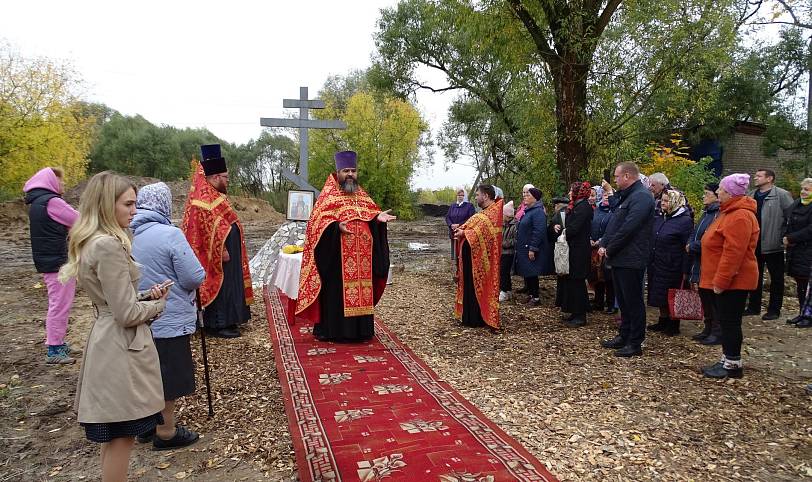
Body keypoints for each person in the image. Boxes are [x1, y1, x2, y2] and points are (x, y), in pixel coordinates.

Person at [58, 171, 170, 482]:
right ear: (108, 205)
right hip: (120, 348)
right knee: (122, 437)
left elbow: (114, 301)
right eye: (128, 204)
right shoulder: (108, 245)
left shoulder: (95, 242)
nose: (135, 211)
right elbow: (126, 314)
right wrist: (158, 304)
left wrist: (146, 295)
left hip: (108, 341)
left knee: (115, 437)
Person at [131, 183, 205, 450]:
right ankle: (166, 431)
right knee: (168, 375)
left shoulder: (126, 234)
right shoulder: (170, 234)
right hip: (168, 316)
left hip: (136, 318)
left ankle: (145, 426)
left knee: (144, 373)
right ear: (164, 204)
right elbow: (193, 276)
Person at [296, 151, 395, 341]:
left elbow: (370, 215)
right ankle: (334, 331)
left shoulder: (362, 197)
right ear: (337, 172)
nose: (350, 174)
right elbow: (316, 225)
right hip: (337, 261)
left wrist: (378, 221)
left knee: (361, 291)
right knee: (336, 294)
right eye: (346, 170)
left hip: (363, 261)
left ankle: (361, 331)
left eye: (353, 170)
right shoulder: (328, 197)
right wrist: (334, 228)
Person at [182, 144, 253, 338]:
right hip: (218, 254)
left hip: (227, 250)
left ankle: (232, 318)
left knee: (230, 283)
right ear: (214, 177)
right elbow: (204, 229)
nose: (227, 181)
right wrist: (220, 250)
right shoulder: (202, 199)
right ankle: (219, 323)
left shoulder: (213, 195)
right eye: (226, 177)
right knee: (222, 284)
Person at [700, 174, 759, 378]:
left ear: (731, 193)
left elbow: (734, 253)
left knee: (730, 322)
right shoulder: (729, 212)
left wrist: (721, 281)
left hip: (734, 281)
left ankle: (733, 364)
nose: (717, 192)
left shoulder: (740, 216)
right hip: (725, 280)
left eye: (722, 190)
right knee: (726, 321)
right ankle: (727, 358)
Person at [23, 167, 80, 364]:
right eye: (60, 181)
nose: (63, 185)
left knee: (58, 303)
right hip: (58, 262)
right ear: (51, 183)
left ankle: (58, 342)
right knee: (60, 305)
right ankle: (55, 349)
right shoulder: (52, 202)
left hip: (48, 260)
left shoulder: (37, 203)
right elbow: (78, 220)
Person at [599, 162, 656, 357]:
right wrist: (604, 243)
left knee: (633, 301)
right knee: (623, 301)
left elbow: (629, 228)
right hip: (620, 257)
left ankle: (635, 342)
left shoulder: (641, 197)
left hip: (631, 257)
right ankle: (624, 335)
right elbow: (616, 222)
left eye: (616, 176)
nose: (614, 180)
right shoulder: (629, 196)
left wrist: (610, 247)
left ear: (627, 176)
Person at [746, 168, 793, 320]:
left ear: (769, 178)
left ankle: (774, 309)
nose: (755, 178)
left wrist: (784, 236)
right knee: (754, 276)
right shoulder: (751, 195)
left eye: (759, 176)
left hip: (774, 244)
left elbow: (791, 217)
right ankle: (753, 307)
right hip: (754, 244)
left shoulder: (781, 195)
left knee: (776, 278)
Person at [454, 185, 503, 329]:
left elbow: (484, 233)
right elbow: (474, 227)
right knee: (470, 285)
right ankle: (469, 317)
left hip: (483, 261)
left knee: (478, 287)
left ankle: (478, 318)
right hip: (473, 259)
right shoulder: (485, 212)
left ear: (486, 196)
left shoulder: (493, 213)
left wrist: (465, 233)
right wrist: (462, 230)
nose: (475, 198)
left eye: (477, 195)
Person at [646, 190, 693, 336]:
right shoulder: (660, 217)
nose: (663, 204)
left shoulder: (684, 221)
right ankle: (663, 319)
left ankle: (674, 323)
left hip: (673, 264)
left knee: (672, 294)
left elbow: (687, 247)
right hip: (657, 261)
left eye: (666, 201)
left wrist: (685, 270)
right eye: (662, 200)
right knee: (659, 293)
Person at [687, 183, 722, 344]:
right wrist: (691, 243)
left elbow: (713, 240)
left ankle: (717, 331)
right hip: (699, 260)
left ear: (716, 195)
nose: (703, 196)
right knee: (704, 297)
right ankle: (708, 328)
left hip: (710, 261)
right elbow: (696, 232)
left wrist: (693, 246)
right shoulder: (706, 213)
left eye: (707, 193)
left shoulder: (719, 214)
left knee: (713, 299)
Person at [561, 182, 594, 327]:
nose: (569, 193)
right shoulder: (577, 206)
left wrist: (563, 232)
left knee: (578, 282)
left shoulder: (583, 208)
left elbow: (574, 228)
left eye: (571, 190)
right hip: (574, 249)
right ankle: (575, 311)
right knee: (573, 282)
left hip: (579, 251)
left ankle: (580, 316)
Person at [783, 178, 812, 325]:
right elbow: (787, 221)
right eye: (802, 189)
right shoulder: (796, 204)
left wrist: (791, 238)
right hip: (796, 251)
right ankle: (802, 312)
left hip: (807, 250)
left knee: (808, 285)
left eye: (807, 189)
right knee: (801, 284)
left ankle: (808, 315)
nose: (803, 192)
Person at [515, 188, 550, 306]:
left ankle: (536, 298)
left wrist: (533, 248)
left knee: (532, 272)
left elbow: (539, 231)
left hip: (530, 248)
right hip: (524, 247)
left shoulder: (538, 212)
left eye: (528, 195)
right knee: (528, 272)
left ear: (535, 197)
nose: (525, 196)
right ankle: (530, 295)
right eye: (524, 194)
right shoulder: (529, 211)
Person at [590, 185, 615, 313]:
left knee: (608, 277)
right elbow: (590, 225)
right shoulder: (596, 210)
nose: (605, 197)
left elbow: (612, 230)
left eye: (608, 195)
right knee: (596, 275)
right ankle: (598, 301)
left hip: (607, 248)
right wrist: (590, 239)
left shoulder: (614, 212)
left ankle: (611, 304)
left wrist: (601, 241)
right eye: (604, 195)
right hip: (593, 248)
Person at [445, 187, 476, 272]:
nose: (460, 197)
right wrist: (451, 225)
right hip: (453, 231)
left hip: (463, 233)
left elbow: (471, 218)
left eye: (462, 195)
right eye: (459, 195)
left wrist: (459, 225)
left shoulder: (469, 206)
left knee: (462, 252)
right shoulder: (453, 206)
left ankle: (463, 267)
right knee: (455, 253)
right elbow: (447, 217)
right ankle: (456, 266)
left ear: (465, 196)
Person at [548, 195, 571, 307]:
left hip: (562, 250)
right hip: (564, 249)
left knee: (562, 274)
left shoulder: (560, 214)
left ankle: (562, 300)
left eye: (556, 204)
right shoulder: (567, 212)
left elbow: (551, 234)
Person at [499, 201, 518, 302]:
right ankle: (508, 290)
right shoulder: (505, 225)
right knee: (503, 272)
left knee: (503, 272)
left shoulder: (514, 226)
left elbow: (516, 240)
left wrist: (504, 243)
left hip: (509, 253)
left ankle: (504, 291)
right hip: (503, 252)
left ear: (507, 215)